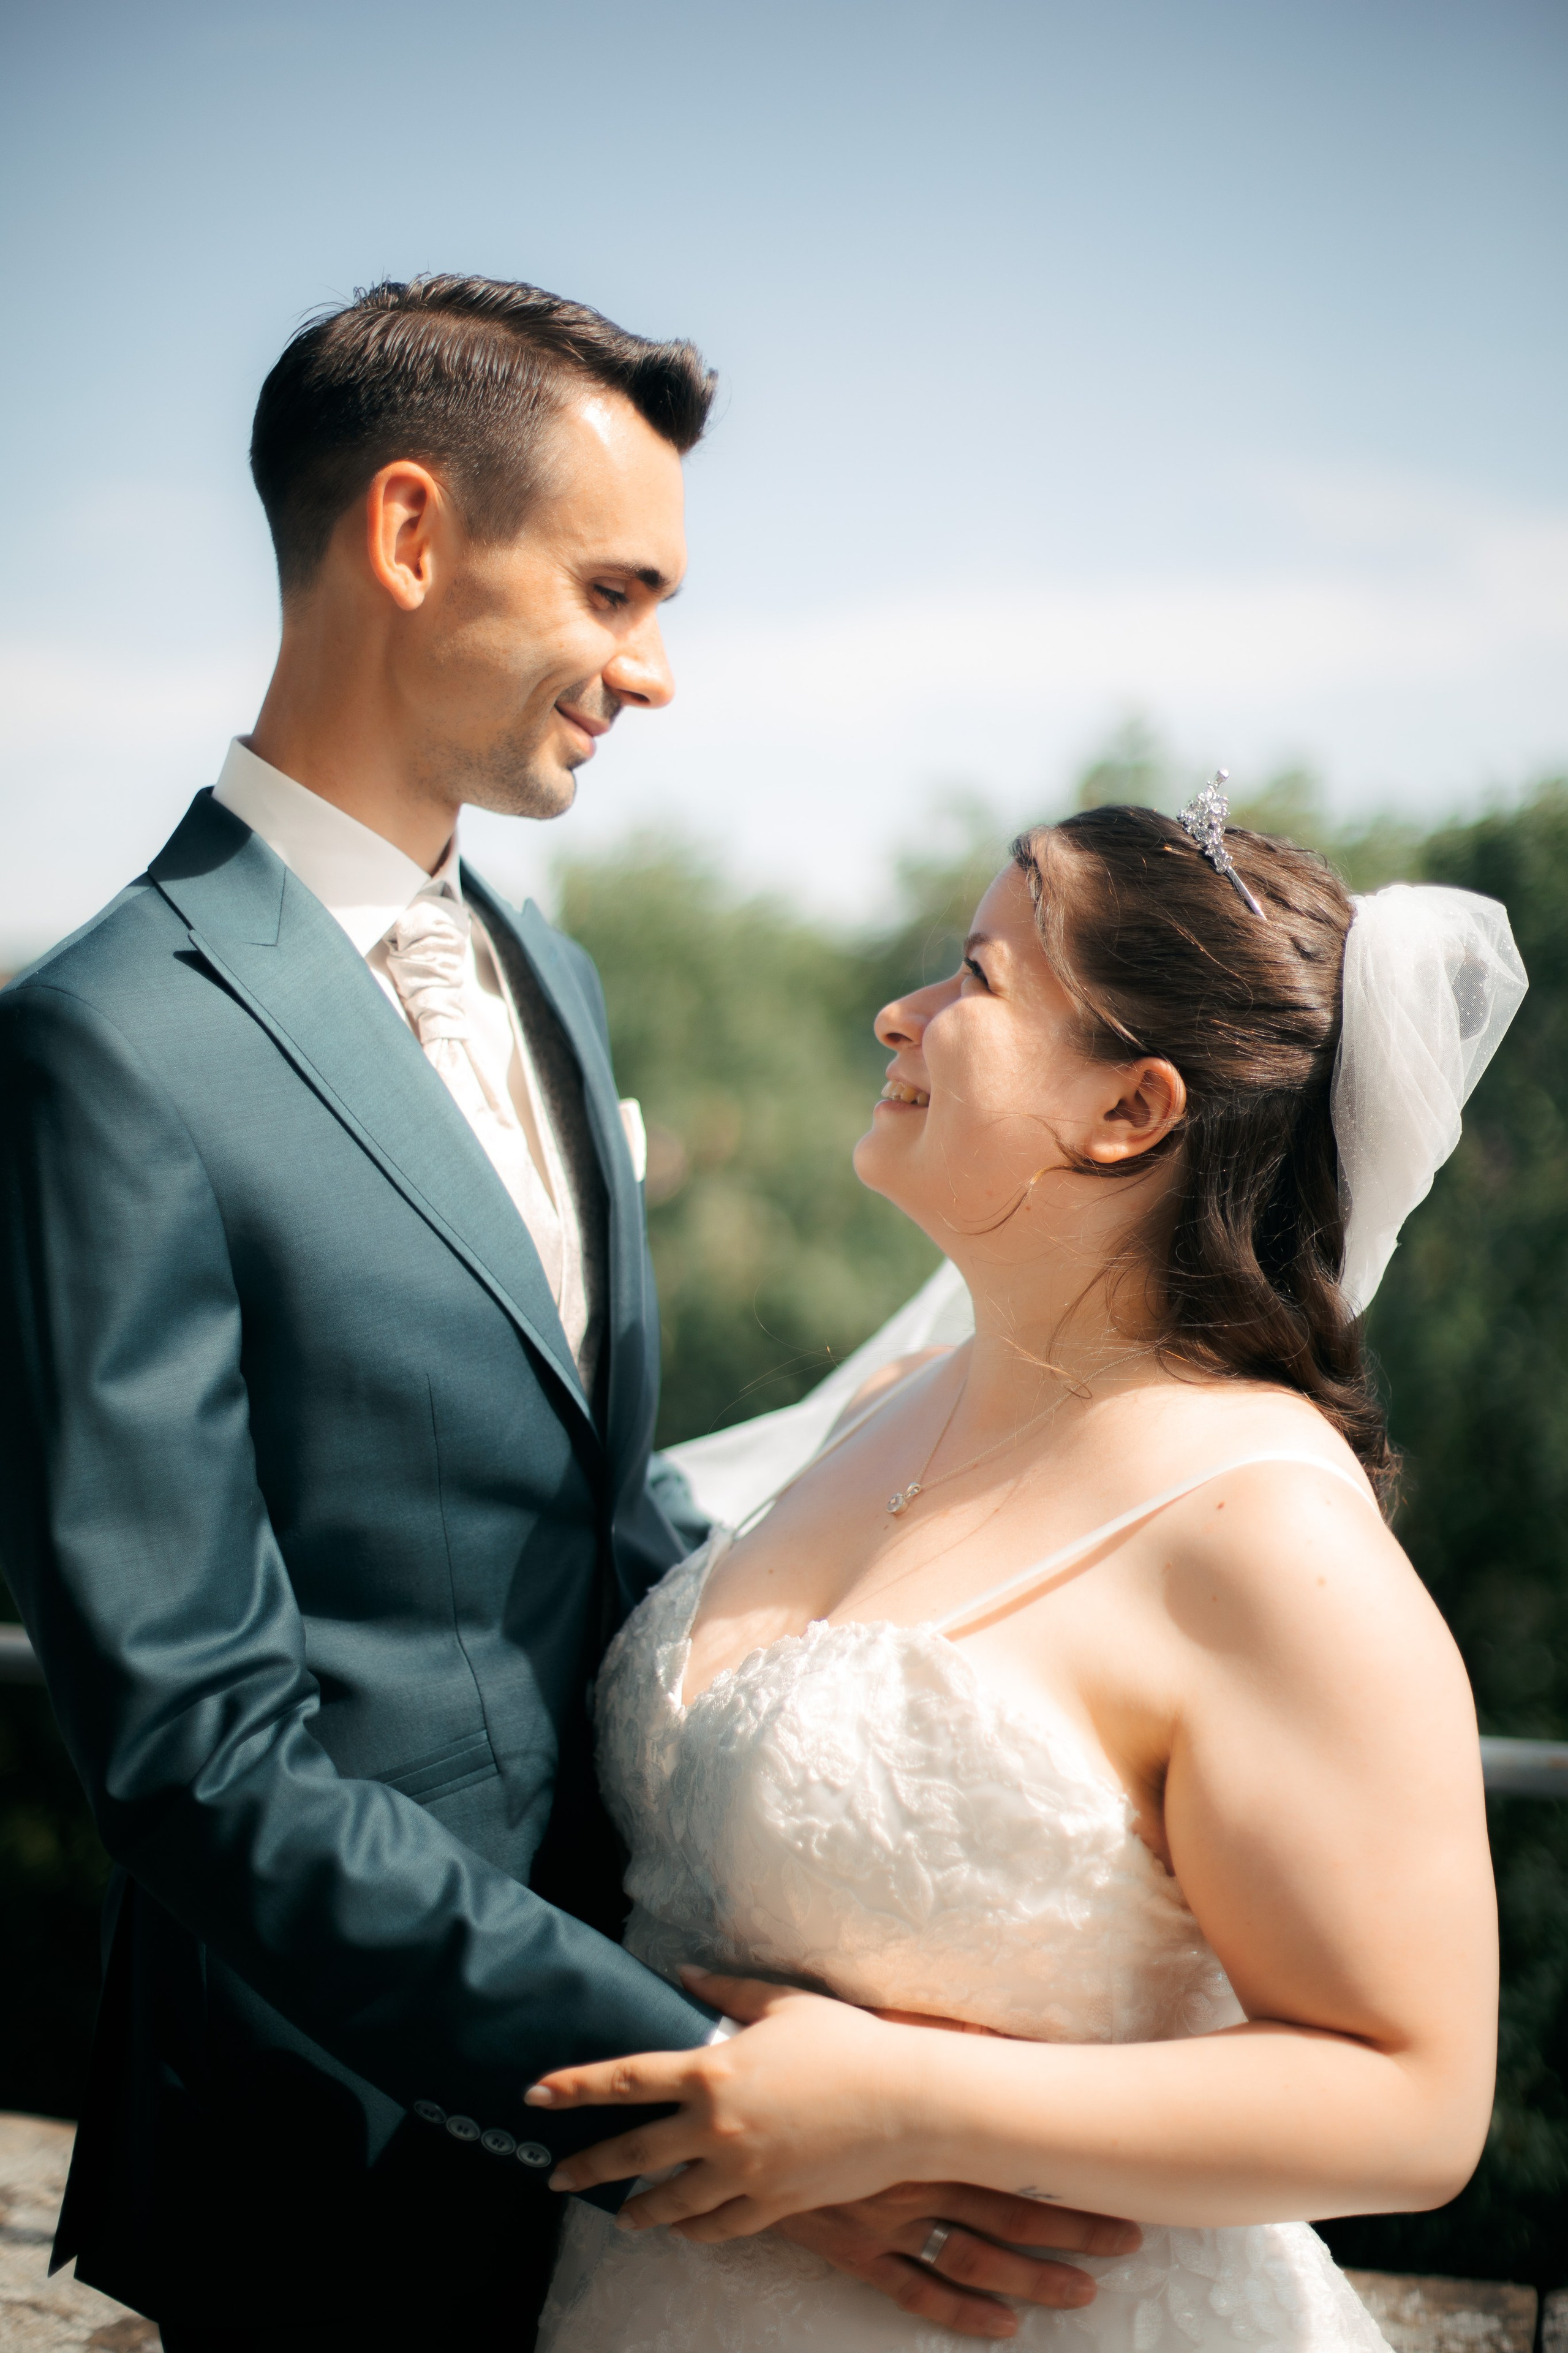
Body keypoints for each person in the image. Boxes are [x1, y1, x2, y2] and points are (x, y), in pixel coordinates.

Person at [0, 274, 1130, 2348]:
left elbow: (587, 1525)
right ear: (410, 534)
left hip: (665, 2115)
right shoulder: (108, 1047)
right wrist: (701, 2093)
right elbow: (197, 1758)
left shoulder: (552, 973)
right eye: (617, 592)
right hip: (342, 2166)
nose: (657, 671)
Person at [528, 798, 1524, 2351]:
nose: (899, 1011)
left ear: (1128, 1108)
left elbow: (1413, 2098)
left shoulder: (1262, 1534)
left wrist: (909, 2102)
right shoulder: (878, 1411)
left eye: (974, 977)